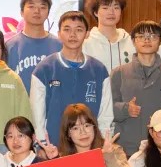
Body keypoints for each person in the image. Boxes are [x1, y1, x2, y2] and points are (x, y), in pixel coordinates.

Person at [30, 11, 113, 143]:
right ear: (59, 34)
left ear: (87, 34)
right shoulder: (44, 69)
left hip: (90, 146)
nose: (73, 35)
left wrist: (103, 142)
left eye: (79, 30)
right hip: (54, 146)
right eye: (67, 29)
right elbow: (37, 115)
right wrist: (41, 144)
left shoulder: (99, 70)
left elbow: (105, 114)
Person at [110, 21, 161, 157]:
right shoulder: (119, 73)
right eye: (141, 36)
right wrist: (125, 109)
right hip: (126, 148)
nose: (147, 40)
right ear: (133, 41)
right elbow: (107, 110)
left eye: (152, 36)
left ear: (160, 41)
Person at [5, 0, 62, 94]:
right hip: (18, 103)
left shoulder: (59, 46)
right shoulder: (9, 46)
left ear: (48, 13)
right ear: (21, 12)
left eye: (42, 7)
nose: (37, 11)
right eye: (31, 6)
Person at [83, 0, 134, 74]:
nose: (111, 12)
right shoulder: (86, 42)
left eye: (116, 8)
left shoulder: (131, 41)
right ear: (95, 12)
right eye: (105, 8)